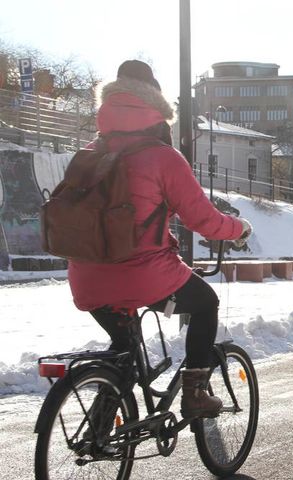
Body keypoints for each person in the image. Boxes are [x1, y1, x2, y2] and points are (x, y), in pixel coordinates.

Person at [67, 60, 252, 419]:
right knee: (205, 303)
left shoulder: (90, 152)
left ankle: (102, 424)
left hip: (85, 277)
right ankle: (195, 392)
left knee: (124, 346)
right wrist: (239, 228)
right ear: (154, 105)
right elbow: (203, 220)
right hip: (145, 274)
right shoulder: (163, 157)